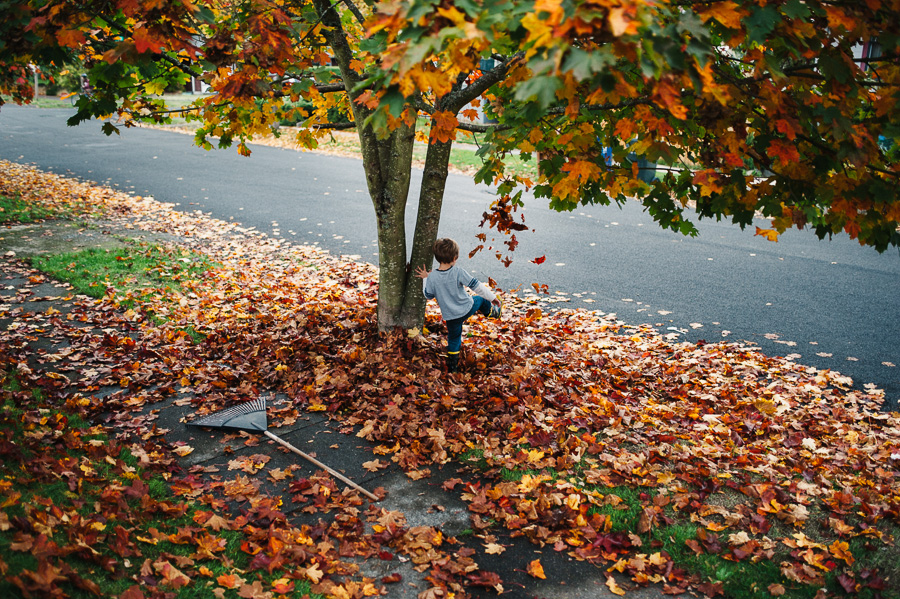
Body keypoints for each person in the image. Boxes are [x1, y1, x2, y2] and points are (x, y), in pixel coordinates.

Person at [415, 238, 501, 372]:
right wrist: (493, 298)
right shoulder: (458, 272)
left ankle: (453, 367)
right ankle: (492, 312)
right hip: (467, 308)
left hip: (451, 316)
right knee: (481, 299)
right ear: (455, 258)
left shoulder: (432, 277)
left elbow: (428, 295)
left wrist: (425, 278)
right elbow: (477, 286)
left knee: (454, 339)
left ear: (437, 258)